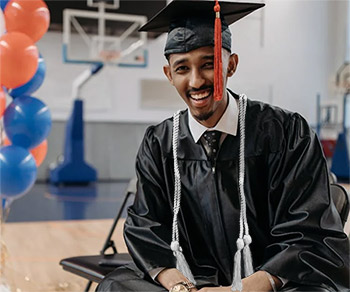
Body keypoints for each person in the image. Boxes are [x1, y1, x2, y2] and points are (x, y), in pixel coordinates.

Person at [97, 0, 350, 291]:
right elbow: (145, 224)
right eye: (182, 68)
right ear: (169, 75)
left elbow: (309, 232)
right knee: (117, 286)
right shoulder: (159, 143)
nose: (195, 81)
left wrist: (243, 288)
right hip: (189, 278)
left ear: (231, 65)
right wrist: (177, 284)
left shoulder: (285, 132)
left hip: (269, 282)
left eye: (208, 64)